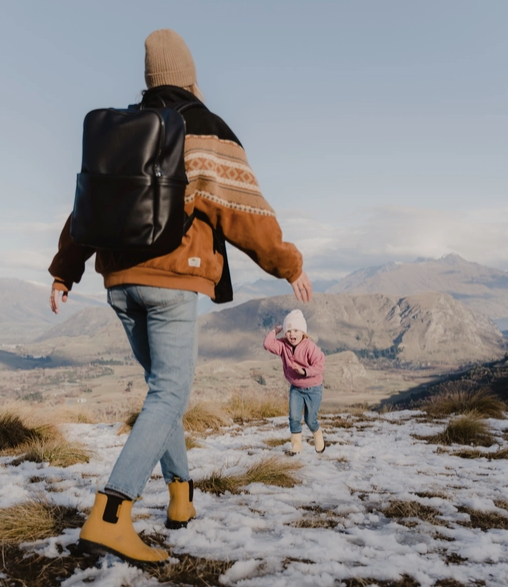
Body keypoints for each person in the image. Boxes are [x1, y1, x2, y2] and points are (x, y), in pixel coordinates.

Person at [49, 29, 312, 565]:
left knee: (159, 391)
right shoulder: (202, 128)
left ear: (148, 79)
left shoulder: (123, 132)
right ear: (191, 76)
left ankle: (181, 498)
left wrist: (64, 270)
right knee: (171, 393)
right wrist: (288, 264)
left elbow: (86, 207)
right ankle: (111, 513)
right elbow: (243, 213)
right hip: (172, 280)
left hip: (118, 282)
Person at [263, 309, 325, 456]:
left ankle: (318, 434)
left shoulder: (309, 346)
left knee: (310, 420)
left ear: (303, 332)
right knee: (294, 418)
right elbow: (267, 344)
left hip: (313, 388)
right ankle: (296, 447)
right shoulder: (283, 345)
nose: (292, 334)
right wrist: (274, 331)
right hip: (296, 388)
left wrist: (304, 371)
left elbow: (320, 364)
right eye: (289, 331)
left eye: (296, 330)